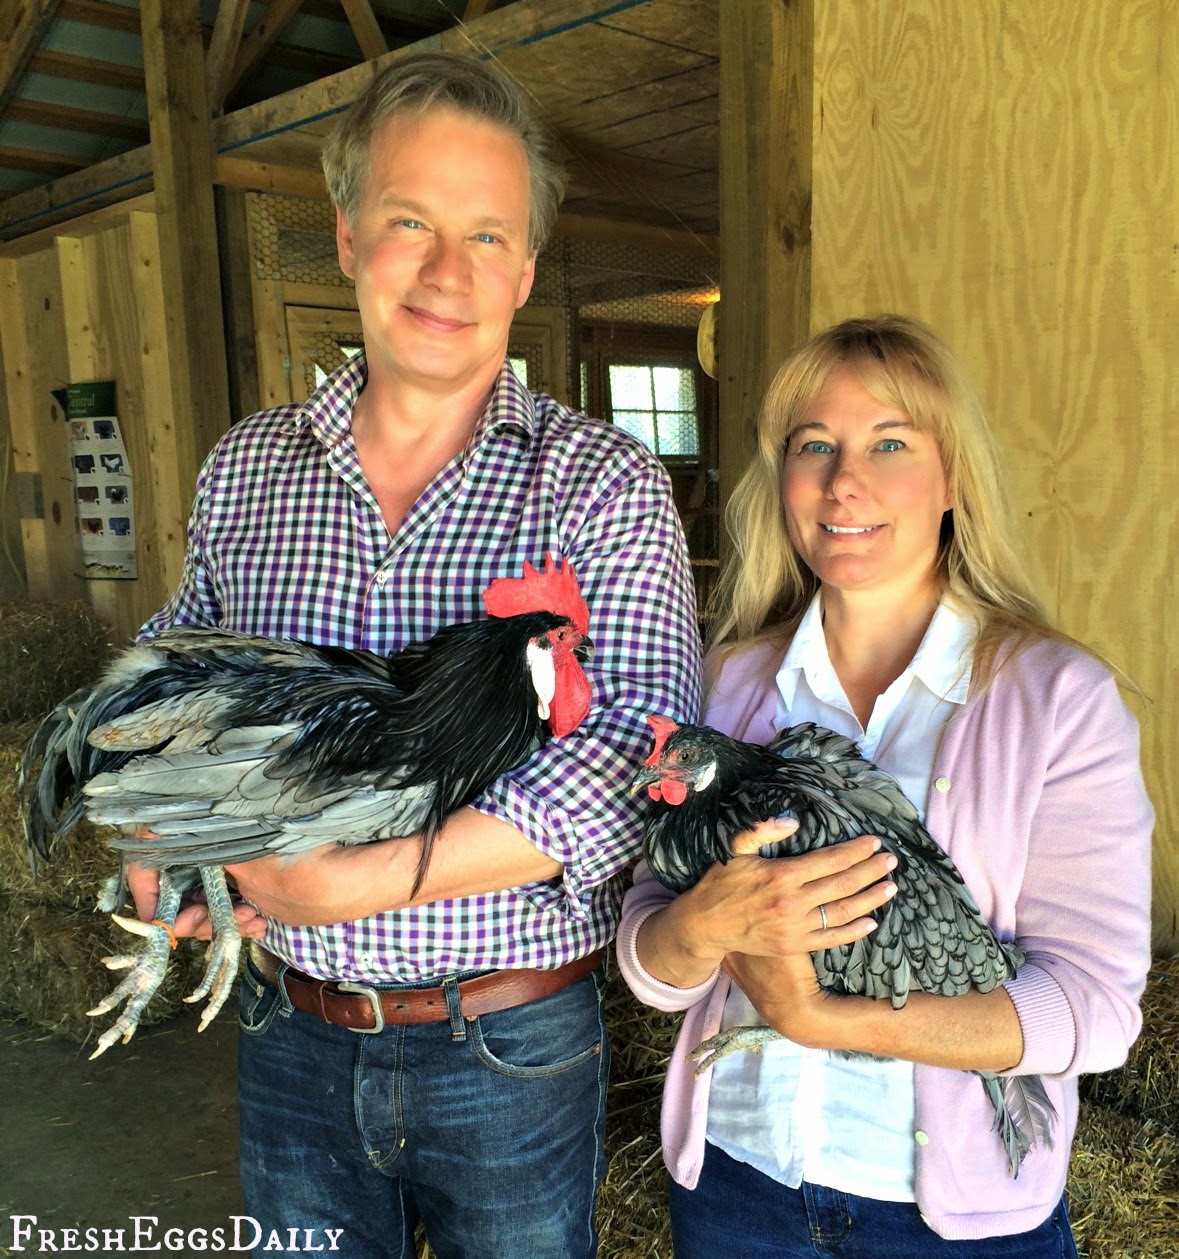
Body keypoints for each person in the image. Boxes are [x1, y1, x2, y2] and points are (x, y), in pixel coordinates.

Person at [128, 51, 701, 1259]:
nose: (449, 271)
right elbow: (167, 666)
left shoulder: (601, 481)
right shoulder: (248, 466)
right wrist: (154, 825)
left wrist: (356, 879)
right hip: (290, 1028)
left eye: (488, 235)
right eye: (410, 222)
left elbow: (632, 758)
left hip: (508, 1043)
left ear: (527, 268)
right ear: (346, 238)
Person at [617, 314, 1153, 1256]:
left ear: (952, 480)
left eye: (890, 443)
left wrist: (818, 1017)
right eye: (812, 444)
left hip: (951, 1224)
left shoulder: (1055, 699)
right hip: (737, 1191)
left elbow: (1094, 1008)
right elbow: (649, 954)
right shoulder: (730, 682)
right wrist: (698, 927)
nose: (843, 481)